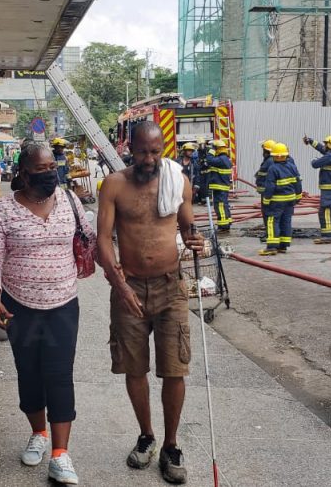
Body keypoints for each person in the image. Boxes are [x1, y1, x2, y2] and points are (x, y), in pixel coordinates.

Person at [0, 142, 96, 485]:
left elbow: (92, 237)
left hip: (63, 303)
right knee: (29, 372)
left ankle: (61, 455)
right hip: (20, 305)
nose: (50, 174)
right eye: (42, 170)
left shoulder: (70, 201)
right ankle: (38, 433)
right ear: (24, 173)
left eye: (52, 168)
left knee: (59, 374)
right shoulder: (2, 211)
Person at [97, 120, 204, 485]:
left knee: (175, 367)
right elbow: (102, 240)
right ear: (130, 147)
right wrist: (119, 284)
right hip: (128, 286)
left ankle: (171, 445)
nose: (149, 159)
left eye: (156, 152)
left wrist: (195, 239)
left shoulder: (178, 180)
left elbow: (188, 226)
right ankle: (146, 436)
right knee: (133, 367)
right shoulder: (114, 185)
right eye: (143, 151)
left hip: (170, 286)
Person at [259, 142, 302, 255]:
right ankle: (283, 246)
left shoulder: (273, 168)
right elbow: (297, 182)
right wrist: (298, 196)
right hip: (290, 200)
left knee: (272, 221)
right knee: (286, 221)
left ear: (275, 156)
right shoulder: (292, 166)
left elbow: (270, 186)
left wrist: (266, 199)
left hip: (277, 201)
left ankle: (272, 247)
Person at [302, 134, 331, 244]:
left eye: (326, 143)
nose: (324, 145)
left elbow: (315, 164)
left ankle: (327, 235)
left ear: (330, 145)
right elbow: (321, 148)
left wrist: (314, 159)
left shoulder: (329, 156)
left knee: (325, 209)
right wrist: (310, 141)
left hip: (328, 187)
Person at [202, 139, 233, 232]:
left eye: (214, 147)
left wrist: (211, 151)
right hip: (221, 186)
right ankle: (226, 222)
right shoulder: (224, 159)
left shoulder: (222, 159)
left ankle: (223, 225)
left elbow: (210, 160)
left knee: (220, 206)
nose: (213, 149)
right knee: (224, 205)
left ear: (218, 148)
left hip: (220, 187)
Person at [254, 139, 276, 242]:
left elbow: (265, 176)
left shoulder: (269, 161)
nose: (262, 152)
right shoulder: (271, 160)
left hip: (268, 192)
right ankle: (271, 234)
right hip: (269, 191)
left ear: (267, 151)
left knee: (268, 214)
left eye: (263, 150)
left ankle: (269, 235)